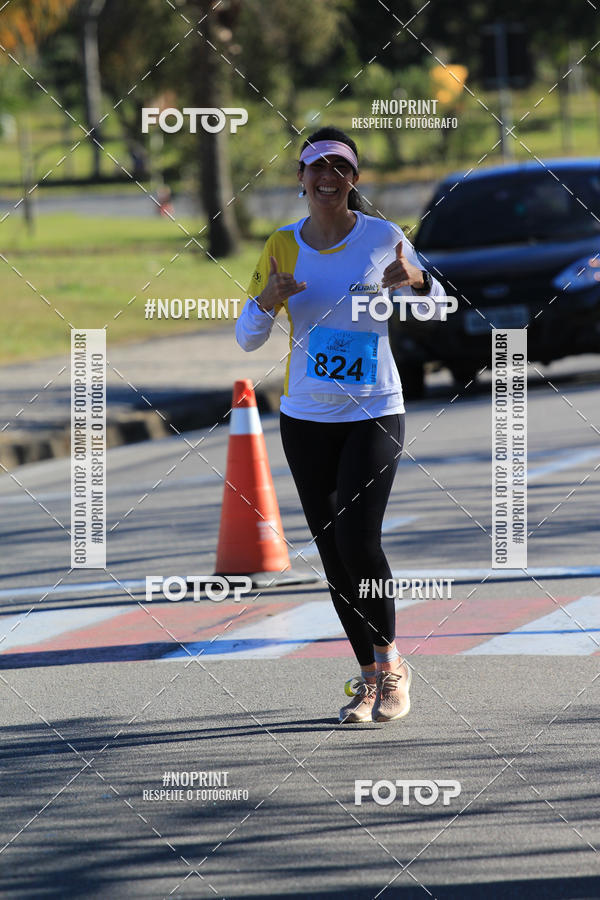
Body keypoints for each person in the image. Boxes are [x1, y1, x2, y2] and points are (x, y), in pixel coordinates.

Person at [235, 126, 445, 724]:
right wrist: (265, 302)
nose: (328, 177)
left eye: (341, 168)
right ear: (300, 179)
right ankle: (368, 678)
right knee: (331, 554)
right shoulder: (280, 246)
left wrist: (418, 283)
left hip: (375, 408)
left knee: (360, 541)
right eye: (316, 167)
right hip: (305, 417)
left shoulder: (384, 238)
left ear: (355, 179)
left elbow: (434, 310)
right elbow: (247, 340)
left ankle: (392, 667)